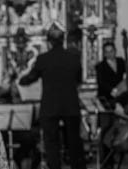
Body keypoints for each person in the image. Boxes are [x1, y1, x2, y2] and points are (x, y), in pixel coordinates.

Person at [18, 24, 86, 169]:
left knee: (51, 143)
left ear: (48, 42)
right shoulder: (74, 58)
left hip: (50, 106)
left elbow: (30, 78)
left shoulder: (43, 59)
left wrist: (21, 80)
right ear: (63, 40)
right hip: (71, 105)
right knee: (74, 141)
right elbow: (79, 80)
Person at [95, 42, 126, 169]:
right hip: (106, 100)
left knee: (117, 128)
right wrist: (112, 90)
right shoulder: (100, 66)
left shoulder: (121, 62)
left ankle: (118, 153)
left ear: (115, 50)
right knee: (106, 129)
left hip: (121, 99)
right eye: (106, 51)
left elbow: (127, 78)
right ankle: (107, 161)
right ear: (104, 53)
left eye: (111, 50)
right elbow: (101, 82)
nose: (109, 53)